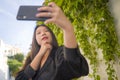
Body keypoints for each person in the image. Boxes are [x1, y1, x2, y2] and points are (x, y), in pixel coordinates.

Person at [15, 2, 89, 80]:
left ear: (52, 35)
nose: (43, 33)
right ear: (35, 40)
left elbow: (75, 66)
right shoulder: (31, 59)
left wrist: (68, 28)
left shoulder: (59, 53)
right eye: (38, 33)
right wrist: (41, 53)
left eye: (46, 31)